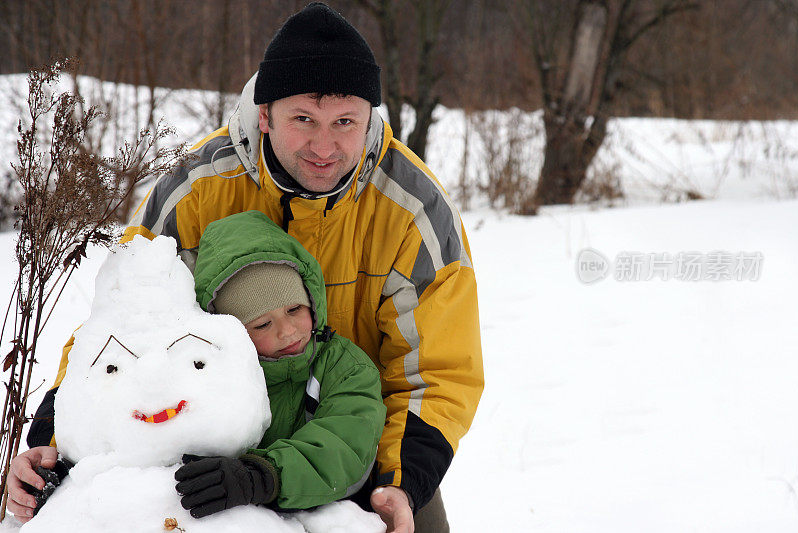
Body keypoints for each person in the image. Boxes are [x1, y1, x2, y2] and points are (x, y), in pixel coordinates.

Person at [13, 3, 483, 532]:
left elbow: (436, 372)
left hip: (357, 441)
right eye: (303, 119)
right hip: (206, 449)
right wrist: (53, 445)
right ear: (265, 114)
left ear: (370, 117)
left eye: (345, 123)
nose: (325, 147)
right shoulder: (194, 190)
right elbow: (124, 327)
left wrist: (400, 483)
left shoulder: (414, 211)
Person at [177, 210, 386, 516]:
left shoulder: (345, 367)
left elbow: (346, 444)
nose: (287, 331)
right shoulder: (207, 371)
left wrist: (263, 476)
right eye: (262, 324)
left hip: (332, 513)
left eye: (294, 309)